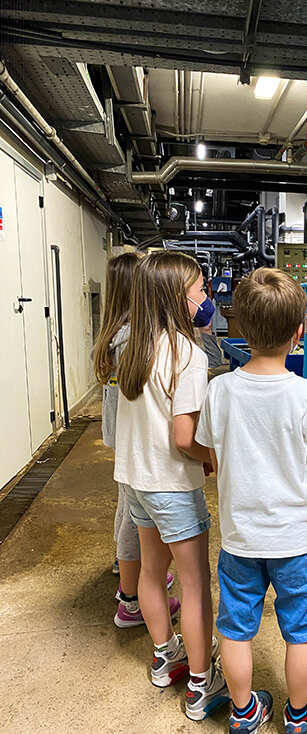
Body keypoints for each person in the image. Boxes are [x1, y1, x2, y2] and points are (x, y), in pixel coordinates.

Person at [195, 268, 307, 734]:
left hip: (240, 539)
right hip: (298, 539)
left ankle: (242, 717)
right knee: (302, 631)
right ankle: (297, 724)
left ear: (240, 329)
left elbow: (208, 453)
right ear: (301, 330)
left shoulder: (219, 390)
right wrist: (297, 492)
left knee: (234, 627)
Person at [115, 251, 229, 720]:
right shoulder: (187, 353)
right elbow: (185, 438)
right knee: (196, 584)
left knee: (149, 572)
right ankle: (203, 683)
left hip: (137, 482)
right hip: (172, 489)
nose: (207, 299)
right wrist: (212, 458)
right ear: (179, 300)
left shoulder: (135, 346)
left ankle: (166, 658)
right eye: (201, 290)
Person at [93, 251, 179, 628]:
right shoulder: (134, 339)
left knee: (127, 508)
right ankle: (132, 598)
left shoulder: (113, 334)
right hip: (136, 444)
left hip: (122, 440)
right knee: (133, 516)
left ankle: (130, 570)